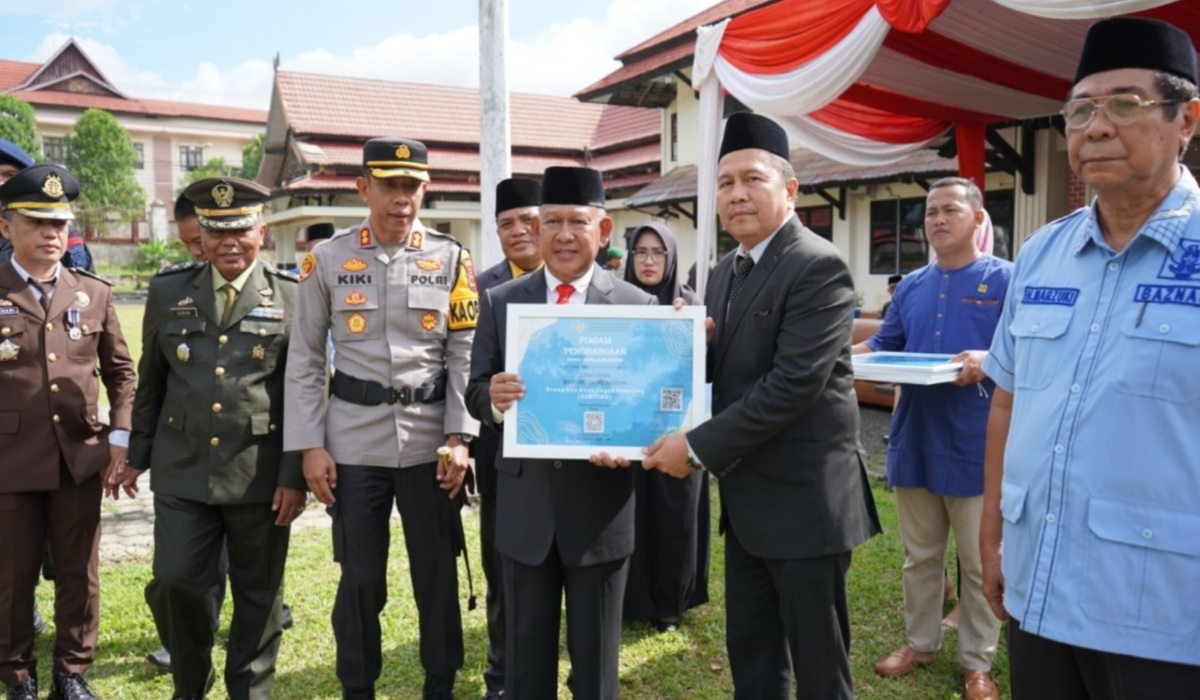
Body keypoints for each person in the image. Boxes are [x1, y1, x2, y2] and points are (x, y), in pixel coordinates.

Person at [981, 17, 1200, 699]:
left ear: (1186, 118)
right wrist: (992, 528)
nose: (1095, 128)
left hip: (1164, 611)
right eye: (1080, 110)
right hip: (1040, 587)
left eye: (1125, 105)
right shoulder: (1045, 251)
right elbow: (1009, 396)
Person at [642, 112, 881, 699]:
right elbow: (730, 369)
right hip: (748, 505)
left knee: (820, 667)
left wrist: (694, 449)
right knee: (752, 654)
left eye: (752, 179)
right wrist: (688, 344)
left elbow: (792, 386)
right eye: (725, 183)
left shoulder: (817, 264)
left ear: (790, 189)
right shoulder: (722, 270)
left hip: (805, 505)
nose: (736, 194)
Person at [284, 138, 479, 700]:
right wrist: (309, 445)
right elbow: (306, 356)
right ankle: (357, 686)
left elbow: (464, 352)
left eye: (412, 186)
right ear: (363, 187)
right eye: (389, 186)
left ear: (425, 189)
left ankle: (440, 682)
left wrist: (459, 436)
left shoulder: (450, 258)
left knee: (436, 575)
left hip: (429, 444)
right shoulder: (327, 258)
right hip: (353, 441)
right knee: (362, 578)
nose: (402, 199)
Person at [465, 166, 654, 700]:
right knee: (526, 664)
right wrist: (495, 401)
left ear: (605, 229)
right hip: (525, 508)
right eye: (552, 222)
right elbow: (475, 389)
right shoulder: (503, 301)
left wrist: (632, 447)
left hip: (599, 509)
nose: (564, 234)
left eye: (577, 221)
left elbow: (647, 405)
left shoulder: (638, 308)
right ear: (538, 228)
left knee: (596, 667)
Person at [115, 177, 307, 700]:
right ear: (200, 231)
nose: (229, 241)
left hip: (261, 474)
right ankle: (190, 685)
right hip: (182, 470)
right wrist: (136, 455)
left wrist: (294, 476)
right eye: (217, 229)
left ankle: (250, 690)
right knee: (176, 581)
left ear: (261, 231)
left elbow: (304, 393)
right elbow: (151, 380)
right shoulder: (168, 289)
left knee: (258, 595)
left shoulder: (293, 295)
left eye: (240, 229)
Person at [853, 177, 1010, 700]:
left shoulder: (1006, 281)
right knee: (920, 556)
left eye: (950, 210)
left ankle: (976, 662)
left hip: (976, 442)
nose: (938, 220)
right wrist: (841, 356)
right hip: (915, 435)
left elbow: (1029, 350)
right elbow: (885, 343)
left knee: (976, 557)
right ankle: (920, 643)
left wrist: (989, 361)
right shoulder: (913, 286)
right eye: (930, 213)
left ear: (977, 218)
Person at [0, 164, 137, 700]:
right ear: (6, 225)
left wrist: (120, 437)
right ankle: (16, 675)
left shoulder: (92, 293)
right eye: (37, 222)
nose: (51, 233)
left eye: (59, 222)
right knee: (12, 576)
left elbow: (122, 373)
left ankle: (71, 672)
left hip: (79, 455)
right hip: (9, 460)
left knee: (80, 574)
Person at [472, 176, 543, 700]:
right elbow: (466, 377)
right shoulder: (480, 289)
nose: (518, 231)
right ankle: (502, 670)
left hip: (571, 456)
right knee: (502, 565)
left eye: (528, 220)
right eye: (506, 224)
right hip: (502, 454)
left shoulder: (586, 281)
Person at [620, 221, 710, 633]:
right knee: (630, 513)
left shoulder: (688, 305)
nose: (649, 260)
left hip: (676, 431)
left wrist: (697, 334)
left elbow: (709, 371)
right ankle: (628, 599)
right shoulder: (615, 301)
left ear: (671, 258)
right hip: (627, 429)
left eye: (658, 252)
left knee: (673, 512)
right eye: (641, 252)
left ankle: (670, 603)